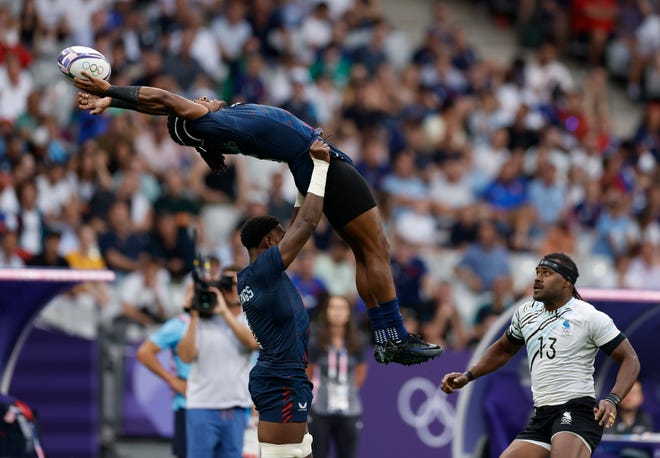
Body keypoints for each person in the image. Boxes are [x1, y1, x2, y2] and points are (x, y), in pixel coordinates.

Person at [73, 72, 444, 366]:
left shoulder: (215, 127)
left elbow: (176, 112)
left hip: (306, 161)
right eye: (195, 103)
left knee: (367, 250)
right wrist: (112, 93)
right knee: (376, 246)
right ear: (190, 119)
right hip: (317, 161)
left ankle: (387, 336)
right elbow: (163, 100)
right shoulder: (205, 123)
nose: (200, 100)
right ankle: (393, 334)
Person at [441, 252, 641, 457]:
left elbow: (630, 359)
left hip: (577, 412)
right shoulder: (525, 313)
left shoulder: (589, 317)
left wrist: (613, 399)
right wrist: (467, 376)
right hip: (542, 415)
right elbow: (503, 349)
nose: (538, 278)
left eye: (546, 273)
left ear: (566, 282)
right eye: (537, 272)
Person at [236, 138, 330, 458]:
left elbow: (295, 223)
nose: (285, 242)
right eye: (279, 239)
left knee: (300, 453)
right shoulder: (264, 269)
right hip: (282, 379)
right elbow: (306, 223)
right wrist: (320, 168)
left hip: (283, 374)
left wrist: (300, 174)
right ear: (268, 242)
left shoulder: (260, 272)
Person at [177, 264, 259, 458]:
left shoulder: (251, 318)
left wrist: (224, 313)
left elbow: (251, 343)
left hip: (236, 408)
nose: (232, 288)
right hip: (202, 406)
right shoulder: (203, 317)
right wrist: (194, 316)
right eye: (227, 283)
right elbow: (185, 356)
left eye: (237, 284)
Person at [306, 295, 367, 458]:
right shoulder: (316, 340)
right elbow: (308, 372)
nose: (337, 312)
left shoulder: (359, 340)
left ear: (349, 313)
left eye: (342, 308)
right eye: (333, 307)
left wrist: (347, 390)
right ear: (326, 312)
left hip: (350, 409)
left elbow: (361, 373)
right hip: (320, 409)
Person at [136, 291, 191, 458]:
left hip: (227, 404)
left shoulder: (228, 323)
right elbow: (144, 353)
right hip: (188, 403)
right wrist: (173, 381)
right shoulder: (180, 325)